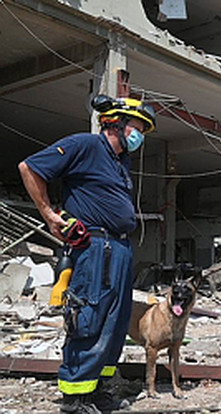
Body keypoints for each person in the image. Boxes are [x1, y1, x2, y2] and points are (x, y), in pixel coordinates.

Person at [18, 95, 156, 413]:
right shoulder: (85, 146)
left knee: (116, 322)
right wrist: (50, 215)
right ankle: (75, 397)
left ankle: (96, 390)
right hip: (95, 248)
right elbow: (29, 168)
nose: (139, 137)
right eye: (136, 128)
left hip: (119, 248)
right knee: (90, 318)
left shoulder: (121, 162)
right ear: (116, 124)